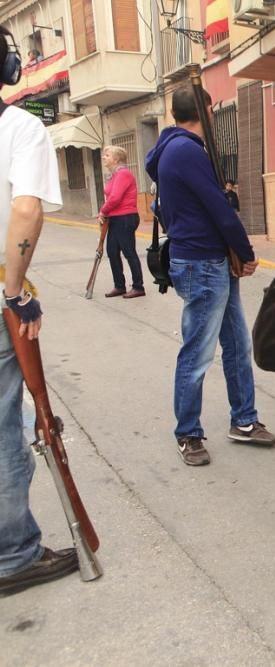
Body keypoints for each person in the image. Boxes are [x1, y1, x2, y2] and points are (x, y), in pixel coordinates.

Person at [145, 85, 275, 467]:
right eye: (213, 109)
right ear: (206, 112)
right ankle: (188, 432)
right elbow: (220, 208)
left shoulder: (171, 149)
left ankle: (245, 421)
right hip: (203, 264)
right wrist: (247, 252)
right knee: (198, 353)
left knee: (236, 344)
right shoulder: (186, 150)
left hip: (206, 260)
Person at [0, 25, 79, 594]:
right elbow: (25, 211)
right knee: (7, 425)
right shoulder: (19, 128)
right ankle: (14, 552)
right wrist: (14, 286)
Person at [99, 145, 144, 299]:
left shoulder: (123, 174)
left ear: (116, 159)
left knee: (128, 252)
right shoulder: (114, 175)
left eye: (107, 155)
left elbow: (115, 198)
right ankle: (119, 286)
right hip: (115, 218)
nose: (104, 157)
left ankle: (138, 286)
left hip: (126, 217)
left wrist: (103, 211)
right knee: (112, 252)